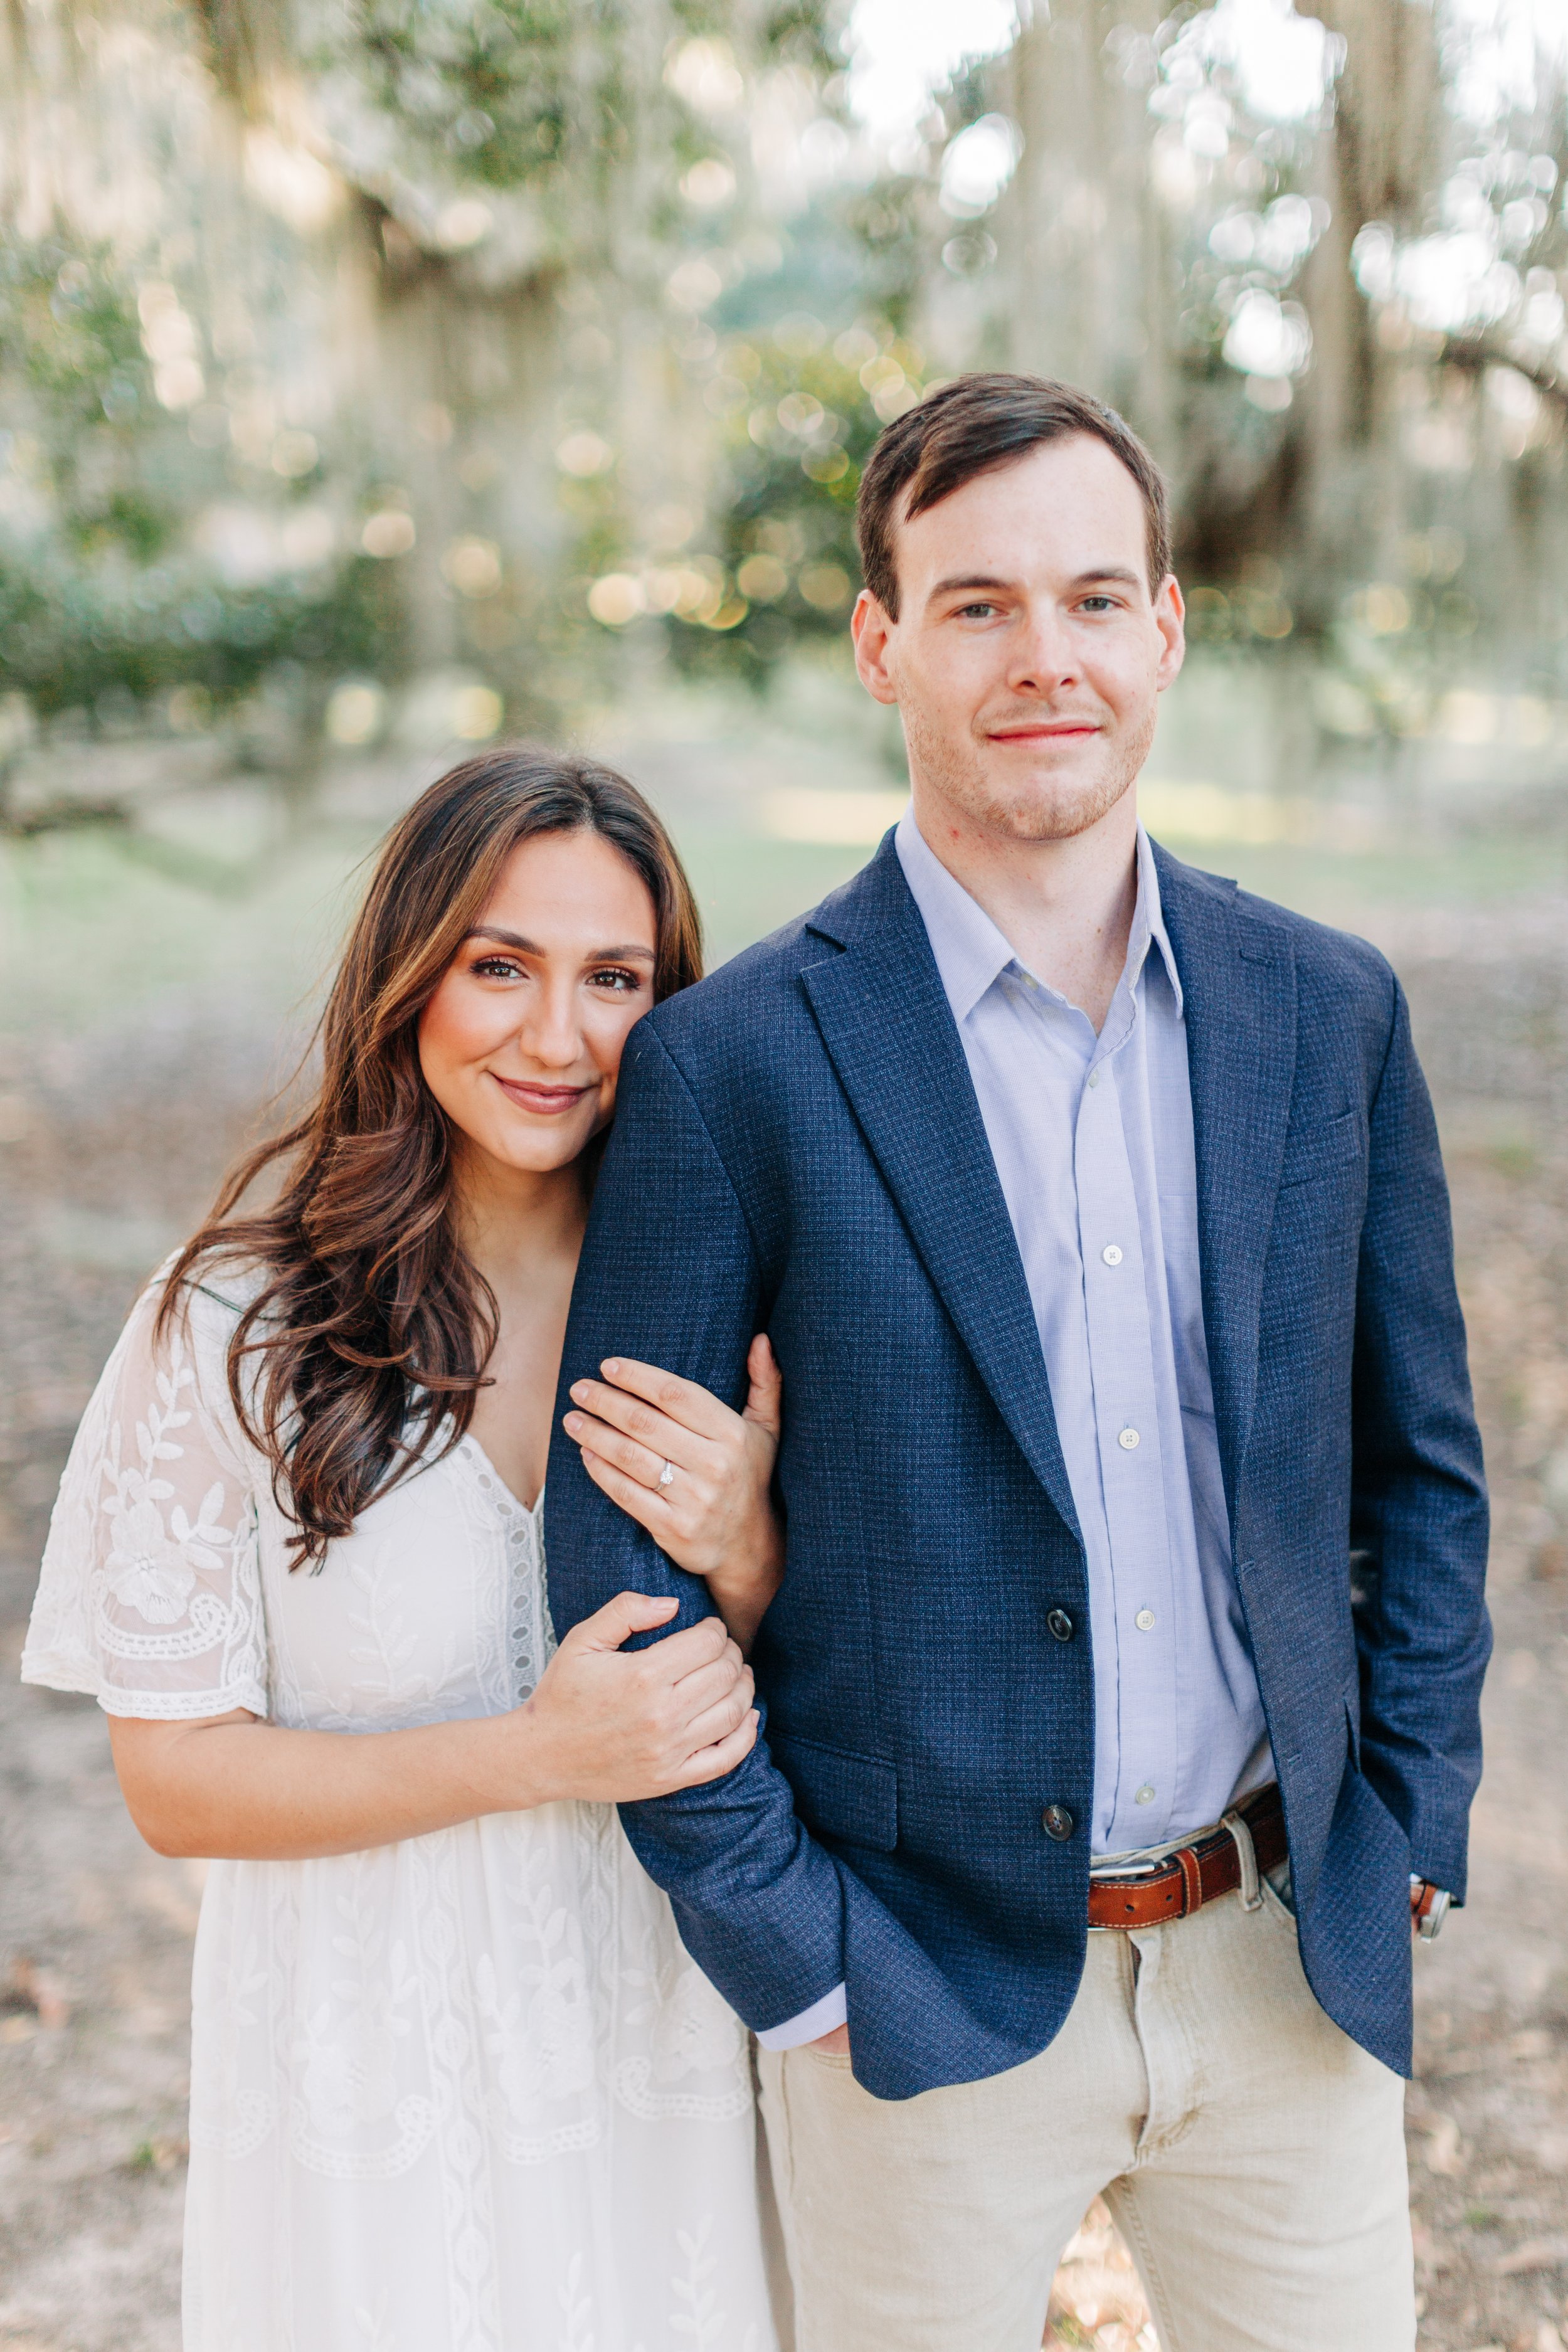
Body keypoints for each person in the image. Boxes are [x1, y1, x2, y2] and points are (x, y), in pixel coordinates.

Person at [544, 374, 1491, 2351]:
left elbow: (1419, 1469)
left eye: (1085, 598)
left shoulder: (1325, 1009)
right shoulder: (732, 1067)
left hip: (1278, 1958)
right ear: (881, 639)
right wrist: (794, 1953)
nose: (1037, 655)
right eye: (973, 604)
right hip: (910, 1979)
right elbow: (619, 1564)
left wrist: (1399, 1823)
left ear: (1164, 628)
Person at [21, 750, 791, 2352]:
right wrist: (534, 1754)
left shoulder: (735, 1301)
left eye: (614, 979)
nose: (556, 1036)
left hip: (681, 2054)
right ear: (405, 972)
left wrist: (751, 1549)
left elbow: (851, 1680)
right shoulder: (234, 1323)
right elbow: (175, 1782)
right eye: (497, 966)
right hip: (373, 2077)